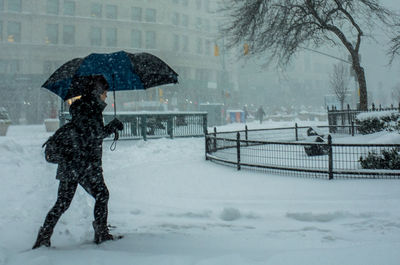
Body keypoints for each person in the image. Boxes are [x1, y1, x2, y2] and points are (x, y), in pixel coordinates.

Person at [33, 75, 124, 249]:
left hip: (72, 163)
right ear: (96, 90)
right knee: (102, 195)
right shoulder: (90, 108)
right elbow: (93, 136)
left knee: (63, 203)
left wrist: (108, 128)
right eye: (104, 91)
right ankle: (101, 233)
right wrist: (112, 127)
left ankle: (44, 236)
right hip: (84, 164)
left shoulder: (83, 107)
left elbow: (88, 133)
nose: (106, 95)